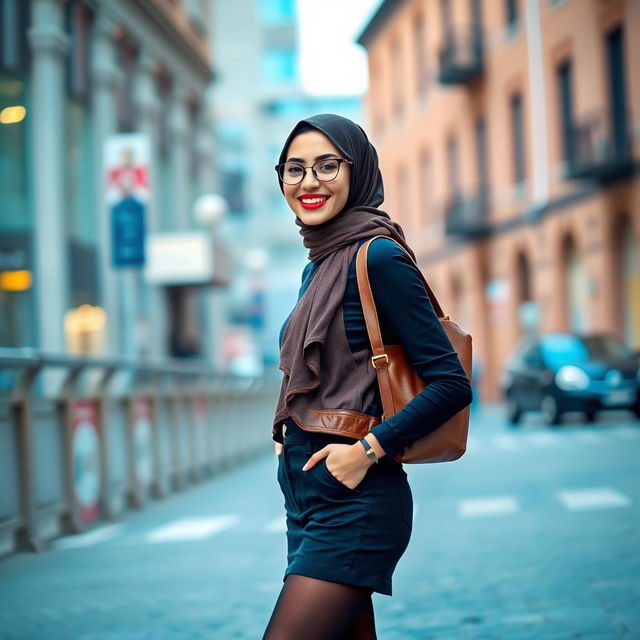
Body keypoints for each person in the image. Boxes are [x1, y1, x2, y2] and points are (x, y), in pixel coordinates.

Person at [263, 114, 472, 640]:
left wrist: (366, 451)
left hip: (355, 499)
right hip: (305, 500)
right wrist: (290, 429)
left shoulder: (377, 255)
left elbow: (451, 383)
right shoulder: (319, 264)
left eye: (327, 165)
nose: (309, 182)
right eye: (295, 169)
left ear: (358, 172)